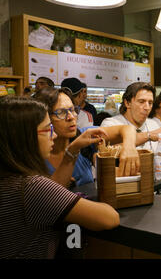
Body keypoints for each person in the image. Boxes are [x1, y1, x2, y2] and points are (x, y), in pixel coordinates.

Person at [0, 96, 119, 258]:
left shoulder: (9, 179)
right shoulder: (30, 187)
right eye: (47, 128)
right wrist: (74, 197)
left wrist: (73, 149)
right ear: (25, 137)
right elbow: (109, 218)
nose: (53, 135)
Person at [33, 87, 140, 186]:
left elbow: (126, 129)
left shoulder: (83, 136)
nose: (71, 117)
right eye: (61, 112)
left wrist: (129, 147)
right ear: (45, 117)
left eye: (72, 110)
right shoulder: (35, 157)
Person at [101, 82, 161, 161]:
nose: (147, 107)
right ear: (127, 103)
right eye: (141, 102)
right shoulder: (110, 124)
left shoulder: (154, 124)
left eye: (150, 103)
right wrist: (149, 136)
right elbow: (108, 151)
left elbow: (160, 153)